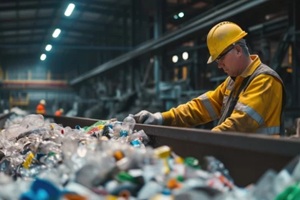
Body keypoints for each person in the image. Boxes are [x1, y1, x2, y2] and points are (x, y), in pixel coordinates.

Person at [134, 21, 286, 135]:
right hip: (243, 159)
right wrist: (160, 118)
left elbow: (240, 124)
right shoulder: (234, 82)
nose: (219, 65)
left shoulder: (265, 80)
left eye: (221, 59)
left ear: (238, 50)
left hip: (263, 165)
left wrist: (205, 142)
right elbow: (199, 108)